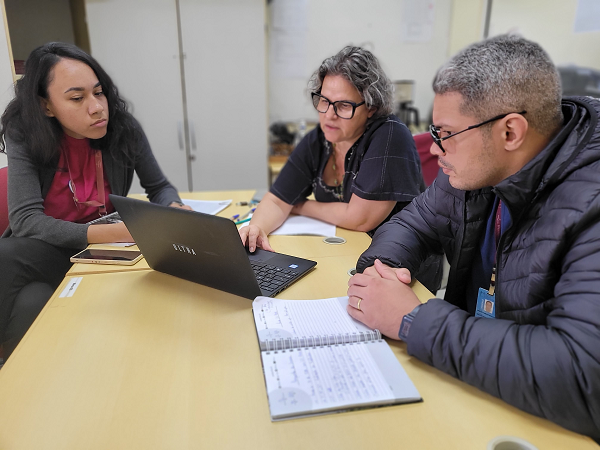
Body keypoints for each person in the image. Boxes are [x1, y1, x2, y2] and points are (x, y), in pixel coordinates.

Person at [346, 34, 600, 440]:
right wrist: (384, 271)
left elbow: (583, 376)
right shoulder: (471, 170)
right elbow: (412, 223)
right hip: (472, 379)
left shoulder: (590, 201)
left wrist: (412, 320)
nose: (435, 149)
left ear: (510, 132)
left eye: (445, 133)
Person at [0, 42, 190, 360]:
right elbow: (25, 221)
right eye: (77, 98)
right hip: (47, 251)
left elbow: (159, 187)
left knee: (32, 299)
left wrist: (172, 208)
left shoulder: (123, 129)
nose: (96, 107)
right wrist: (116, 232)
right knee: (11, 262)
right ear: (46, 106)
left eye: (98, 93)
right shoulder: (25, 134)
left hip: (109, 254)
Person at [240, 46, 425, 249]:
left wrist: (299, 205)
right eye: (324, 101)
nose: (329, 114)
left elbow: (360, 219)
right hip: (348, 249)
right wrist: (256, 228)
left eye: (343, 105)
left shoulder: (390, 136)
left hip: (399, 263)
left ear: (371, 107)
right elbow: (277, 201)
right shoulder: (319, 139)